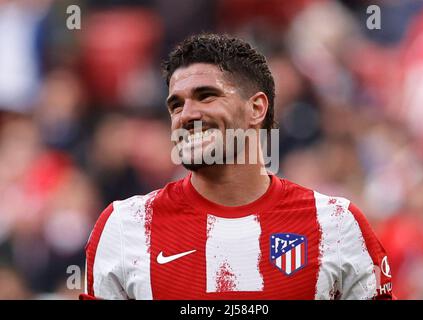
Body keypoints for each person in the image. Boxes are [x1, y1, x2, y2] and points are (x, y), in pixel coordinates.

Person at [80, 33, 393, 300]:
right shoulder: (124, 226)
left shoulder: (337, 225)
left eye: (206, 96)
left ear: (256, 108)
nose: (186, 114)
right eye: (176, 104)